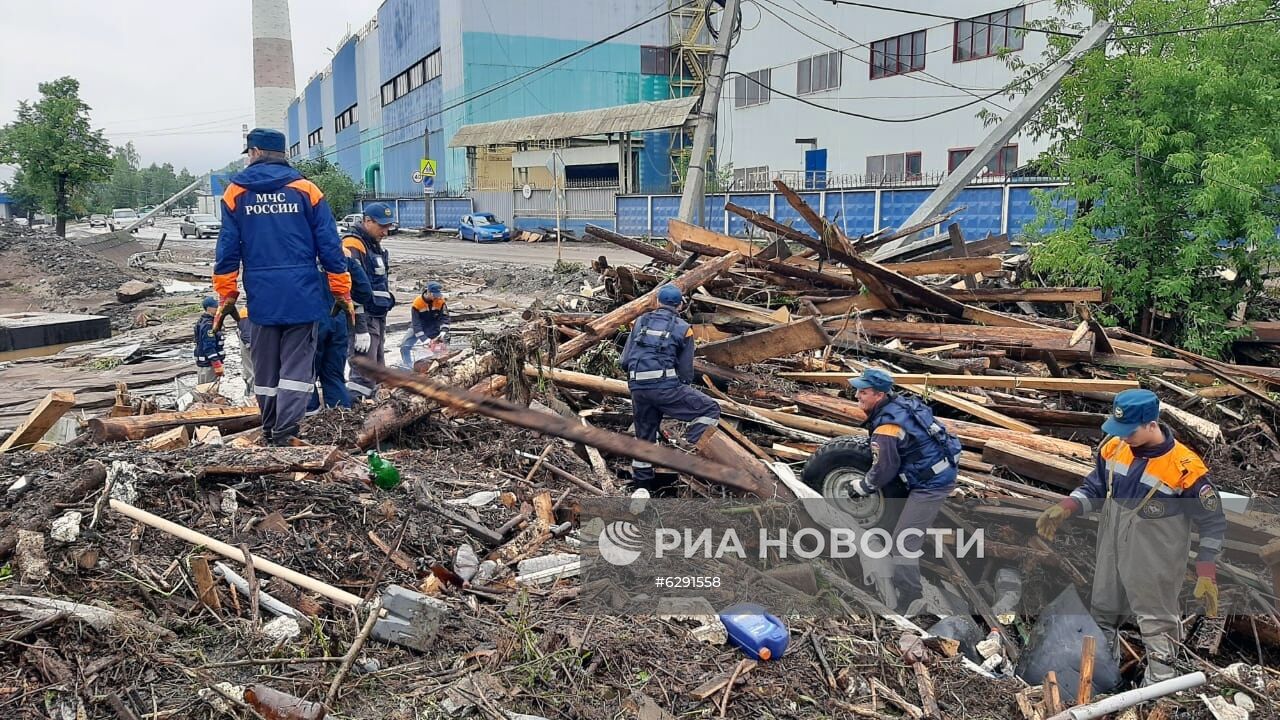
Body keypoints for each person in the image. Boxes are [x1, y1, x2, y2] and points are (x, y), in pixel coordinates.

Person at [1037, 389, 1224, 686]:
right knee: (1102, 612)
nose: (1123, 436)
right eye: (1119, 429)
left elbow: (1213, 522)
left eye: (1130, 431)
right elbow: (1096, 487)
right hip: (1111, 548)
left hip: (1155, 558)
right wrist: (1067, 507)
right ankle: (1102, 680)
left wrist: (1206, 570)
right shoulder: (1113, 448)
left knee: (1157, 622)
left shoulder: (1185, 469)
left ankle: (1160, 691)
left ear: (1152, 424)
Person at [212, 127, 352, 446]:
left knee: (266, 366)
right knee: (297, 366)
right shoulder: (307, 190)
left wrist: (227, 293)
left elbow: (227, 248)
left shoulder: (235, 193)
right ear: (282, 153)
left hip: (262, 295)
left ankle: (269, 425)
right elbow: (330, 245)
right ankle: (285, 431)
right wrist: (341, 289)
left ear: (255, 152)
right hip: (303, 293)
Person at [847, 367, 961, 613]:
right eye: (858, 390)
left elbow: (885, 468)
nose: (857, 396)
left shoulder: (887, 427)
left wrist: (863, 486)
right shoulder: (900, 404)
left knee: (902, 542)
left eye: (863, 392)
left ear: (878, 395)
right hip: (938, 465)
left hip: (932, 484)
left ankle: (911, 596)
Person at [619, 284, 721, 488]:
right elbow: (685, 372)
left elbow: (624, 361)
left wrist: (641, 383)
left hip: (637, 388)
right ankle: (687, 448)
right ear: (680, 305)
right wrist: (678, 389)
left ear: (657, 302)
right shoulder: (684, 329)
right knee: (710, 409)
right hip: (665, 387)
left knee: (645, 437)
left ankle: (642, 486)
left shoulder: (640, 322)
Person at [342, 202, 397, 400]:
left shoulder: (372, 245)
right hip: (363, 318)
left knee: (378, 369)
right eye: (382, 227)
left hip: (377, 316)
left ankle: (378, 414)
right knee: (363, 374)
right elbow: (352, 289)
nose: (386, 232)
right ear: (367, 221)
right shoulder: (353, 244)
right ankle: (356, 415)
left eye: (389, 227)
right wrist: (360, 328)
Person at [309, 252, 373, 412]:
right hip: (338, 322)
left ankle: (310, 424)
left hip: (312, 322)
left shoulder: (303, 255)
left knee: (306, 377)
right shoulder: (342, 256)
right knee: (334, 376)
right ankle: (341, 420)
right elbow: (365, 291)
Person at [399, 281, 450, 367]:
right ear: (428, 292)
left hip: (434, 326)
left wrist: (443, 332)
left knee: (440, 348)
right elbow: (416, 324)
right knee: (404, 346)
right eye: (434, 295)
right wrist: (424, 339)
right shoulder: (417, 303)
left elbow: (445, 317)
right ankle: (408, 365)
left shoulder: (440, 301)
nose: (436, 298)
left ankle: (439, 365)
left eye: (438, 295)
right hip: (419, 326)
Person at [194, 296, 225, 384]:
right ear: (209, 309)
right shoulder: (208, 325)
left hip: (206, 363)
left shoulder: (203, 321)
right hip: (208, 364)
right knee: (208, 390)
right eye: (216, 307)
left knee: (207, 389)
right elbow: (208, 346)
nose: (218, 309)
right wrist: (216, 363)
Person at [233, 307, 254, 399]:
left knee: (249, 372)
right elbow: (246, 333)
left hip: (248, 343)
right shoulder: (246, 312)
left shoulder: (246, 311)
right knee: (253, 373)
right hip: (249, 346)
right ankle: (252, 397)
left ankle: (248, 395)